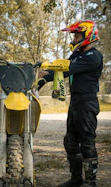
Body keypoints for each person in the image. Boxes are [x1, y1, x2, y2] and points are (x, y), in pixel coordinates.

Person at [36, 20, 103, 187]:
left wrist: (49, 69)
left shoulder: (93, 56)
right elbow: (62, 69)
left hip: (87, 102)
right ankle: (76, 178)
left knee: (87, 141)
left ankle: (90, 182)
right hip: (75, 101)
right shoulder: (77, 55)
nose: (73, 39)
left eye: (77, 35)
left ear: (87, 36)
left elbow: (67, 68)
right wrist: (44, 78)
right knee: (70, 141)